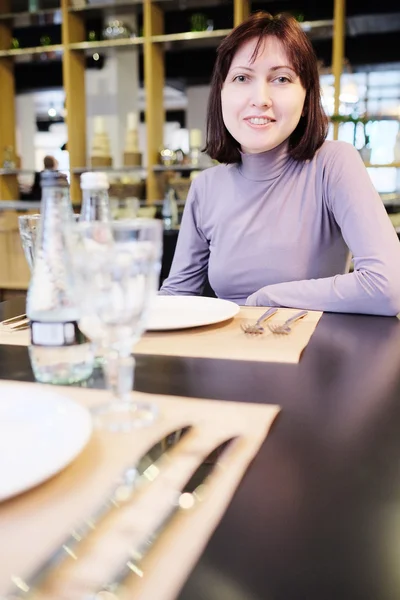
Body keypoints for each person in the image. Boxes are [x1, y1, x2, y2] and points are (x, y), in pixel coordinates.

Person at [160, 12, 400, 316]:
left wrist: (269, 298)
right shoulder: (206, 187)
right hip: (226, 357)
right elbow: (176, 298)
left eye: (282, 78)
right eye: (242, 78)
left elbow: (388, 287)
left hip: (314, 356)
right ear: (221, 94)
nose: (260, 99)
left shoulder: (332, 164)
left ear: (305, 100)